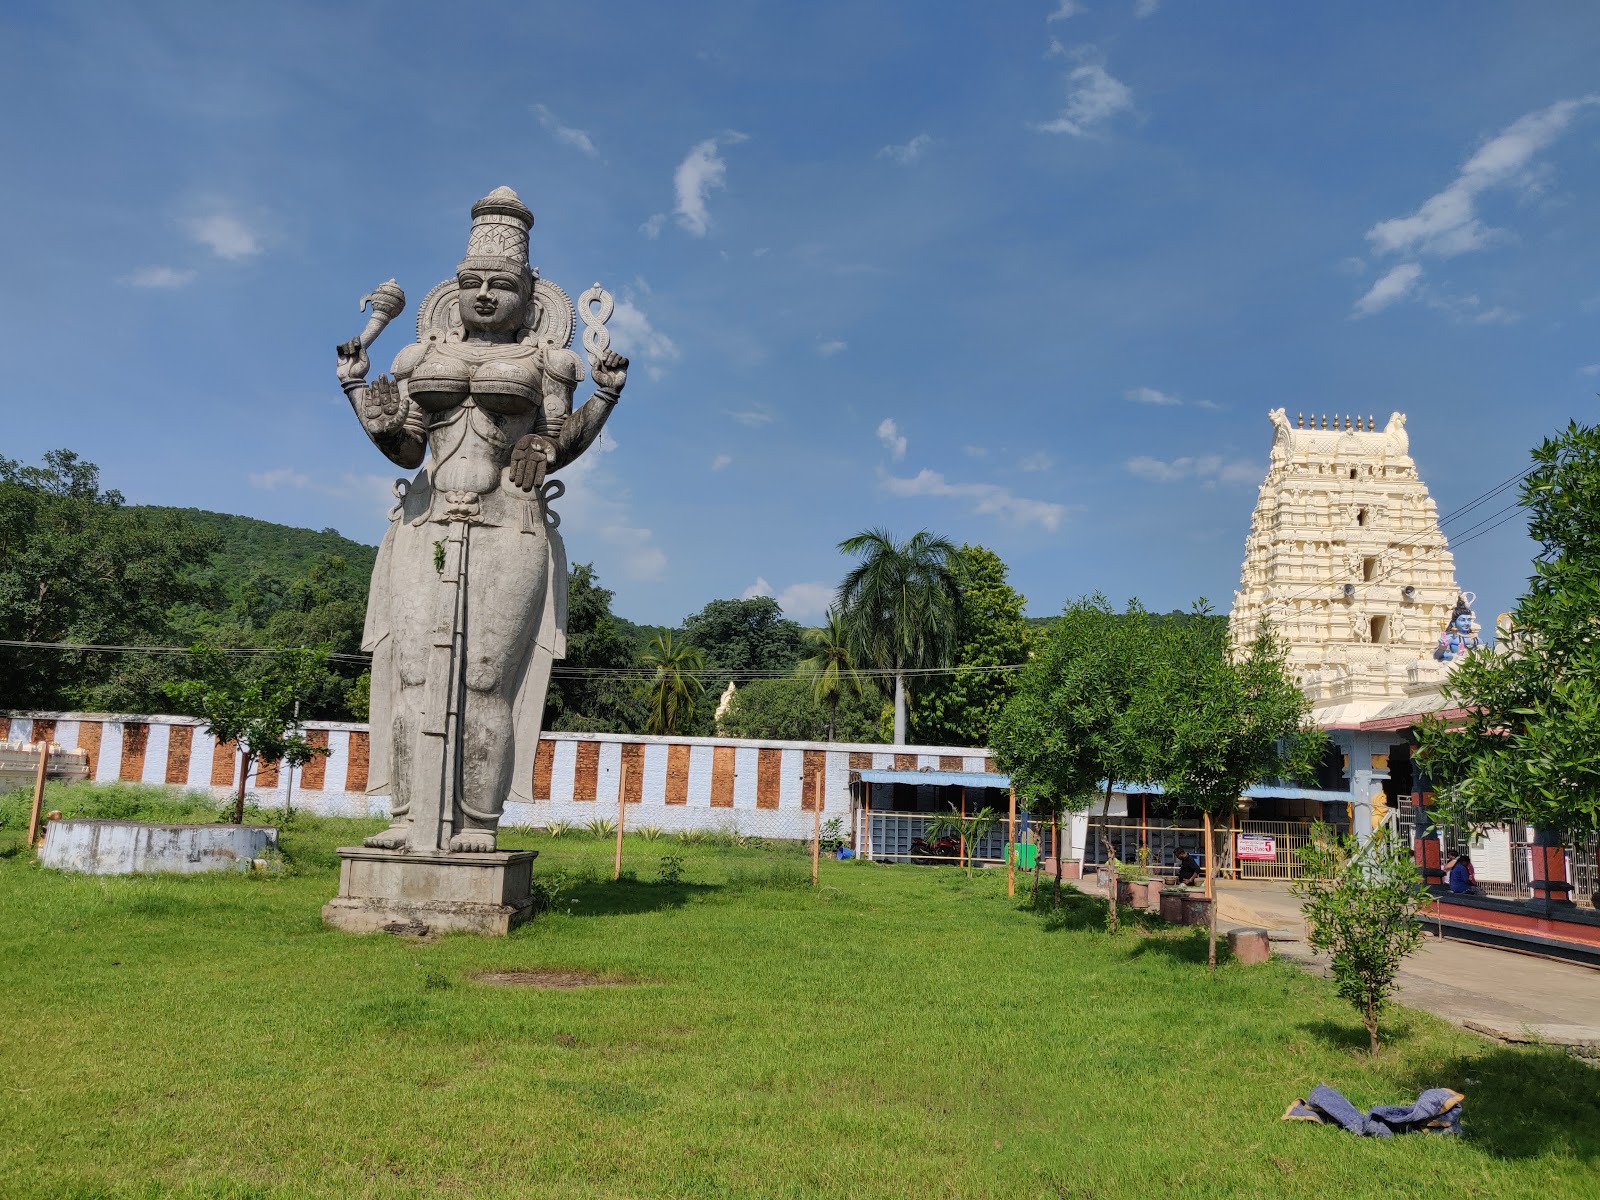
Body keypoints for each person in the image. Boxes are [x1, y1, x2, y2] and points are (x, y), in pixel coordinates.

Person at [335, 187, 628, 853]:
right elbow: (407, 446)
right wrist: (360, 393)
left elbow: (560, 442)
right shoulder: (418, 359)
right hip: (427, 522)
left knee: (485, 676)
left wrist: (600, 399)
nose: (487, 295)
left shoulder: (550, 361)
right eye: (474, 283)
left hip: (511, 522)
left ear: (530, 292)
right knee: (412, 672)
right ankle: (409, 819)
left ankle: (475, 823)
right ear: (454, 288)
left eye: (502, 284)